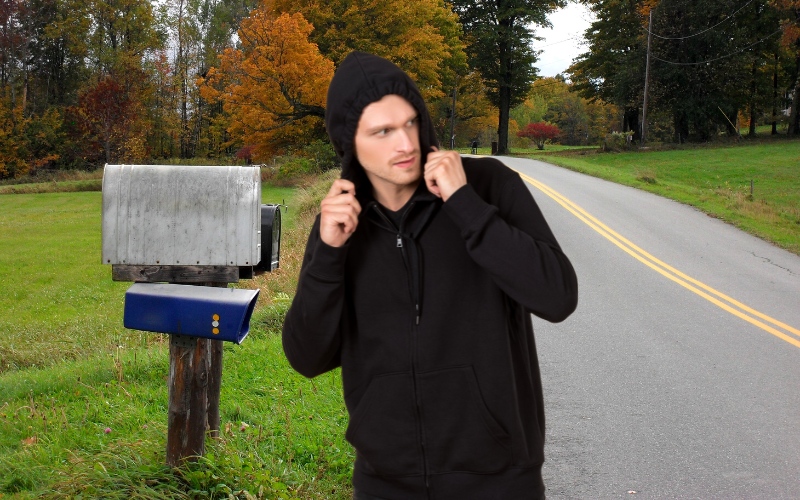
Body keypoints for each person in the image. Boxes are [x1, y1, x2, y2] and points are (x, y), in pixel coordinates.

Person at [282, 51, 578, 500]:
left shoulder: (489, 187)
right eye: (382, 131)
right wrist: (328, 253)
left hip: (499, 479)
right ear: (349, 143)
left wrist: (466, 207)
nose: (405, 143)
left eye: (410, 123)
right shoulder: (342, 223)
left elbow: (557, 296)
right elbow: (307, 357)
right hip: (386, 483)